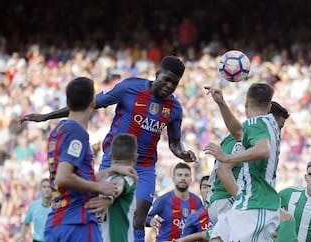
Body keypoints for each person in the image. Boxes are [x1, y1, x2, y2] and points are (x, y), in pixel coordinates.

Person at [21, 56, 196, 242]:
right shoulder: (130, 87)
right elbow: (88, 104)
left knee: (139, 216)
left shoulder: (175, 108)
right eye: (166, 79)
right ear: (157, 73)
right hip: (114, 160)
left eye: (174, 83)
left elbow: (174, 143)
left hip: (144, 167)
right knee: (100, 211)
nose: (169, 86)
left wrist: (183, 153)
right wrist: (47, 116)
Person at [43, 77, 120, 242]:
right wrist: (99, 187)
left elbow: (76, 176)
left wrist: (112, 170)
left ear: (68, 101)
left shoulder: (58, 131)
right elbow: (63, 177)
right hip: (77, 223)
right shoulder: (77, 133)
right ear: (93, 102)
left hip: (57, 222)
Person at [203, 83, 281, 241]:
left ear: (246, 103)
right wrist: (221, 103)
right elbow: (238, 132)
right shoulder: (268, 124)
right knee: (217, 238)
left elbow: (263, 149)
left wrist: (226, 157)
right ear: (269, 106)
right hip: (244, 201)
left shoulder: (256, 124)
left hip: (257, 204)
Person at [146, 162, 203, 241]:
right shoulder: (163, 200)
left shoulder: (197, 201)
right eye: (179, 175)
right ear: (173, 178)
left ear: (191, 179)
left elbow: (202, 225)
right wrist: (150, 220)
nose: (183, 178)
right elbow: (145, 218)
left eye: (186, 175)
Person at [101, 133, 138, 242]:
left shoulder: (98, 181)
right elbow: (119, 183)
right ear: (135, 158)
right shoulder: (129, 177)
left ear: (110, 155)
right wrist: (110, 197)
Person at [180, 175, 211, 239]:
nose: (208, 190)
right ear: (200, 191)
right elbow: (183, 239)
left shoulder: (224, 212)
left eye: (210, 187)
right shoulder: (193, 217)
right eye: (204, 187)